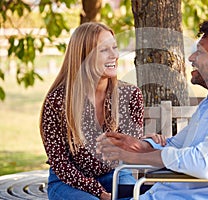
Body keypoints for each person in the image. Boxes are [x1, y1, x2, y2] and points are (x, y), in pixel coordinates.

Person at [97, 18, 208, 199]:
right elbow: (178, 145)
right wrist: (140, 146)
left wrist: (139, 158)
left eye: (200, 52)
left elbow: (205, 162)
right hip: (165, 193)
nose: (191, 58)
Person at [39, 22, 145, 200]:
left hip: (115, 174)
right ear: (84, 56)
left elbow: (130, 149)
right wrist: (98, 192)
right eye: (104, 50)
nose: (115, 55)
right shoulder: (58, 101)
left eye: (115, 47)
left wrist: (147, 143)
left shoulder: (130, 95)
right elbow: (60, 163)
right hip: (67, 181)